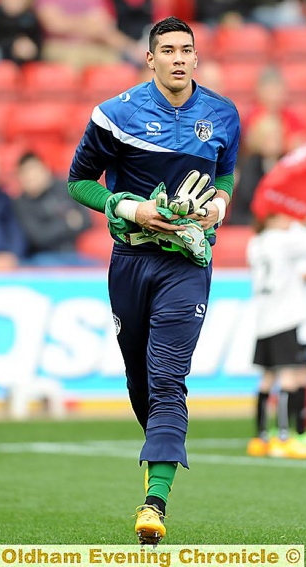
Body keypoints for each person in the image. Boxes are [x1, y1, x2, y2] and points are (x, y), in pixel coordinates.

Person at [68, 16, 240, 544]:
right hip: (131, 259)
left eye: (187, 49)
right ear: (151, 58)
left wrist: (220, 201)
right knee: (141, 382)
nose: (180, 58)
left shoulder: (223, 114)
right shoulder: (114, 114)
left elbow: (227, 171)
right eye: (168, 50)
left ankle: (154, 503)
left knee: (168, 377)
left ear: (195, 55)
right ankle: (159, 453)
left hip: (187, 262)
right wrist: (127, 206)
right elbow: (78, 183)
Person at [246, 206, 306, 459]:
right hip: (288, 317)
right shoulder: (282, 239)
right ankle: (284, 437)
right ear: (272, 216)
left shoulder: (257, 242)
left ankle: (261, 437)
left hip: (265, 317)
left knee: (269, 377)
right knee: (290, 376)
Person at [13, 152, 96, 266]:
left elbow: (87, 220)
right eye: (27, 175)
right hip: (42, 258)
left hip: (73, 253)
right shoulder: (21, 203)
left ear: (45, 169)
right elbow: (39, 238)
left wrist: (53, 227)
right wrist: (68, 223)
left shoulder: (65, 188)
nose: (32, 179)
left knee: (98, 271)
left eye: (35, 173)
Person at [34, 0, 146, 69]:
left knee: (114, 65)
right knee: (72, 59)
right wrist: (86, 22)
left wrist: (131, 47)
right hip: (60, 46)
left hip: (93, 44)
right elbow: (54, 25)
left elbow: (103, 25)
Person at [229, 114, 284, 225]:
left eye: (277, 136)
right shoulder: (248, 163)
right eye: (269, 137)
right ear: (260, 139)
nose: (275, 141)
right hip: (249, 220)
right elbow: (248, 196)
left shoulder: (286, 162)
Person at [0, 0, 43, 66]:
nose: (13, 3)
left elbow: (37, 42)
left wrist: (32, 49)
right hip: (2, 59)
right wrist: (12, 47)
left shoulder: (30, 19)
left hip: (28, 61)